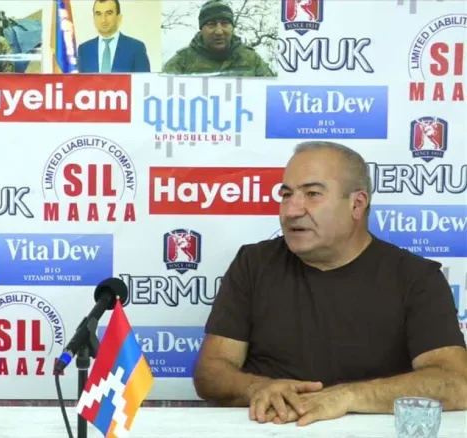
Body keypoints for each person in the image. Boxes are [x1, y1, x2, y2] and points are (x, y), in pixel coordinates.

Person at [194, 141, 467, 426]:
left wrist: (347, 397)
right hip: (271, 426)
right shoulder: (253, 264)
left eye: (312, 194)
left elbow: (456, 382)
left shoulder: (416, 277)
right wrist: (258, 388)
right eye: (286, 195)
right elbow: (210, 372)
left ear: (356, 204)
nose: (291, 210)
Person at [162, 0, 274, 76]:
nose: (219, 31)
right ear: (201, 29)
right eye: (211, 24)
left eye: (225, 23)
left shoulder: (252, 59)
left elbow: (272, 95)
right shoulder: (182, 62)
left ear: (232, 27)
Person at [77, 0, 150, 73]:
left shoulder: (136, 48)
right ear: (94, 18)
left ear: (119, 18)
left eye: (109, 13)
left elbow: (144, 79)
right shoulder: (84, 50)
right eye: (98, 14)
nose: (103, 19)